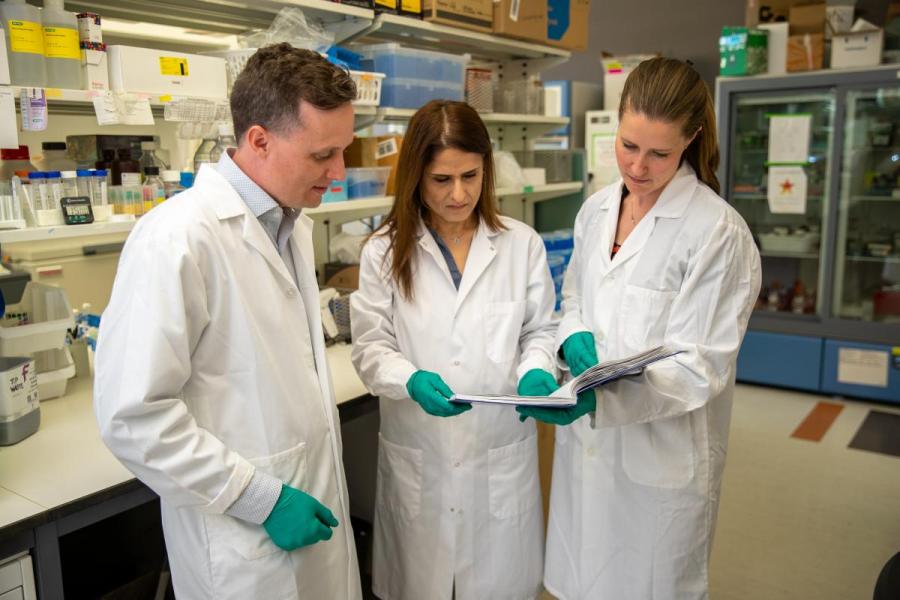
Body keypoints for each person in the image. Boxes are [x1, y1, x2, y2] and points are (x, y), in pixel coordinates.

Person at [94, 44, 362, 599]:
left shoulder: (292, 223)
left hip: (311, 514)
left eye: (344, 151)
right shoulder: (177, 238)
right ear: (259, 139)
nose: (338, 172)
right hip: (242, 546)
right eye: (322, 155)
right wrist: (262, 498)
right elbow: (132, 416)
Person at [518, 57, 762, 599]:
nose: (637, 166)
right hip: (588, 457)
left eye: (660, 153)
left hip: (661, 458)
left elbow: (698, 366)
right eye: (628, 145)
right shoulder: (596, 210)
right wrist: (571, 335)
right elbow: (577, 295)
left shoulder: (717, 232)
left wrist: (605, 402)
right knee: (579, 580)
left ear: (691, 140)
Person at [350, 99, 558, 600]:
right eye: (442, 180)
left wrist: (535, 370)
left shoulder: (520, 244)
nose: (459, 193)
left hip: (498, 453)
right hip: (422, 456)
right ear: (416, 176)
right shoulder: (384, 249)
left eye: (471, 175)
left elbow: (540, 331)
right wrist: (409, 380)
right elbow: (371, 345)